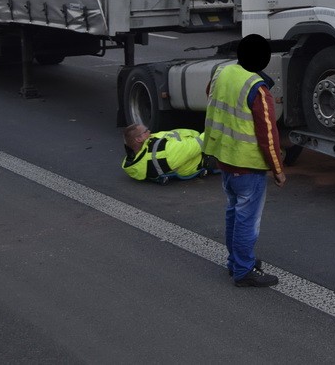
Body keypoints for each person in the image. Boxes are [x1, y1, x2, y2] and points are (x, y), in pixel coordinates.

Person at [202, 34, 286, 288]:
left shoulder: (223, 72)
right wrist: (278, 169)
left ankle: (236, 260)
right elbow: (268, 134)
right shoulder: (258, 89)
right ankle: (243, 270)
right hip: (247, 165)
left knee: (233, 214)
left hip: (224, 160)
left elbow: (210, 94)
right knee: (247, 221)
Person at [121, 124, 215, 183]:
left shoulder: (139, 154)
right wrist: (215, 129)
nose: (149, 131)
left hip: (193, 144)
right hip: (207, 155)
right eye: (146, 131)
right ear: (139, 139)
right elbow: (199, 143)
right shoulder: (163, 151)